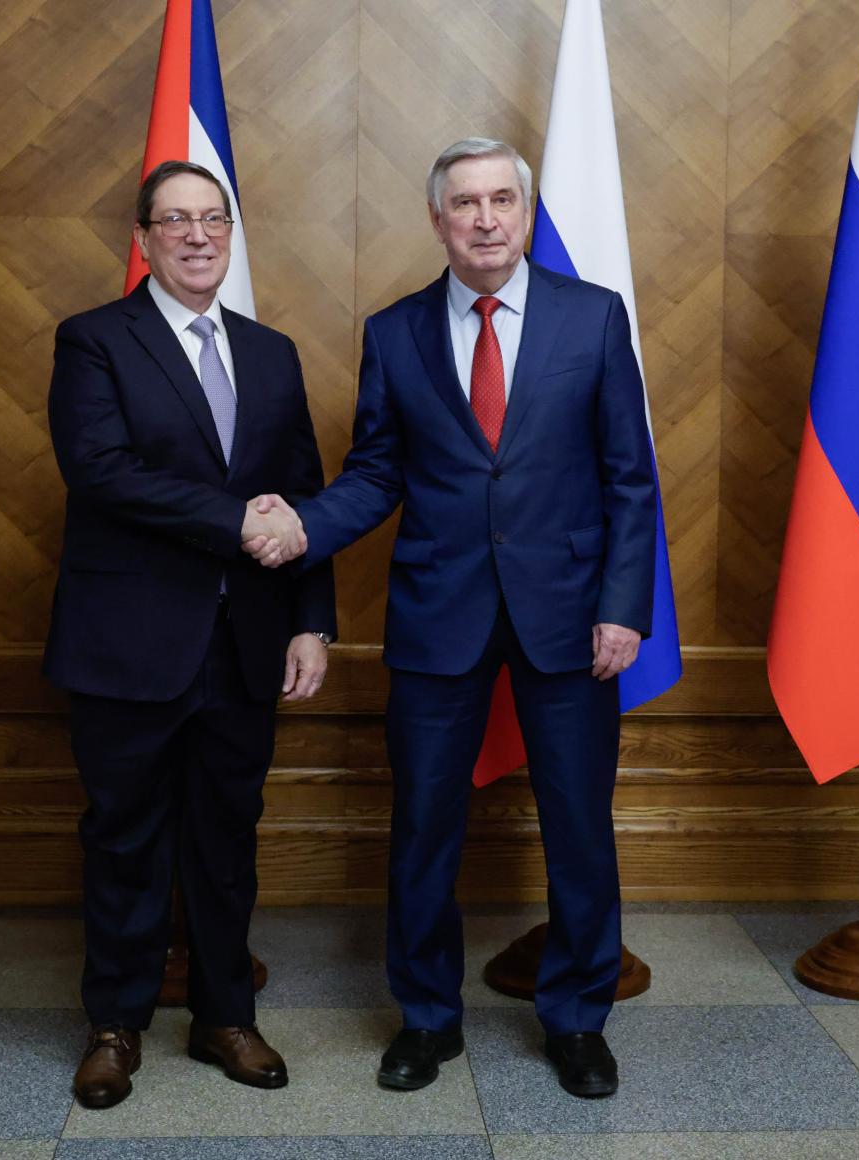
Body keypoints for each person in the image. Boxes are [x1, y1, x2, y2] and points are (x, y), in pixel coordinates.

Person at [270, 137, 655, 1098]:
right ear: (437, 220)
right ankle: (426, 1019)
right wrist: (302, 528)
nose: (485, 219)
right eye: (465, 204)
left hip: (571, 616)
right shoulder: (395, 331)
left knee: (579, 828)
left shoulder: (593, 317)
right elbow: (375, 474)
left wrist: (623, 607)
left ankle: (578, 1020)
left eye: (501, 201)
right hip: (438, 612)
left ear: (523, 212)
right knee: (423, 827)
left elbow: (630, 478)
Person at [44, 159, 336, 1109]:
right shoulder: (95, 339)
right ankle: (114, 1025)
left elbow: (301, 497)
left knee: (226, 840)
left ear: (231, 233)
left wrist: (312, 622)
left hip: (246, 642)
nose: (198, 235)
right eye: (175, 220)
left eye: (214, 218)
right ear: (144, 239)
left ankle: (225, 1017)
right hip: (128, 642)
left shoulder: (272, 352)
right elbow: (100, 470)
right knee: (124, 839)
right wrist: (232, 520)